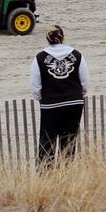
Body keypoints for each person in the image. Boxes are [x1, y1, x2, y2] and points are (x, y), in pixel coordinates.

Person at [30, 25, 90, 165]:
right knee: (69, 140)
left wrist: (41, 98)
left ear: (47, 39)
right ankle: (66, 172)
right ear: (62, 37)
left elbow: (35, 85)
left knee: (47, 140)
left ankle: (46, 173)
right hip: (74, 103)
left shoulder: (40, 57)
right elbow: (85, 81)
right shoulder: (76, 55)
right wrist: (78, 95)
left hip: (50, 104)